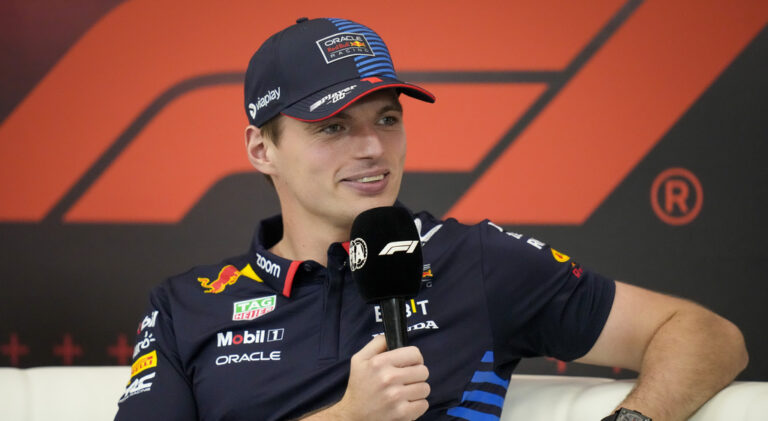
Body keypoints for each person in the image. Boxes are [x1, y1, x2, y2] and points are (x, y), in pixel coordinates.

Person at [114, 17, 748, 421]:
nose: (372, 148)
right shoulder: (185, 306)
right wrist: (348, 418)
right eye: (333, 127)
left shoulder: (473, 260)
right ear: (262, 149)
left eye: (387, 118)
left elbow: (705, 335)